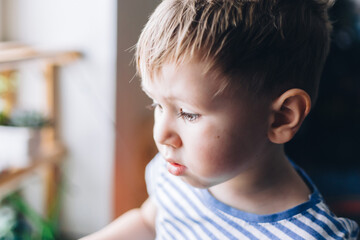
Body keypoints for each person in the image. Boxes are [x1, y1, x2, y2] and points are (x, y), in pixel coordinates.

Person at [81, 0, 359, 239]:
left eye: (188, 113)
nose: (161, 134)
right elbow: (148, 222)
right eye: (156, 103)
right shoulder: (178, 173)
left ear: (281, 117)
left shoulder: (310, 235)